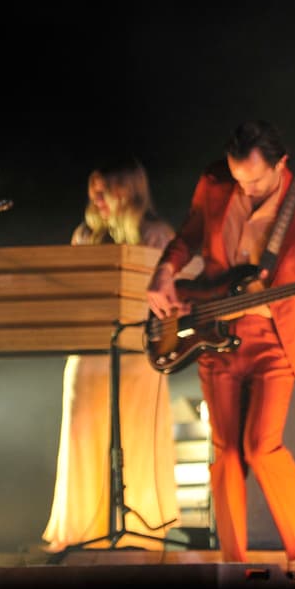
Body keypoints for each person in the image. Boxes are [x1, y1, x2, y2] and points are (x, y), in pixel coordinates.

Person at [145, 119, 295, 589]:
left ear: (282, 163)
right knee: (226, 453)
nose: (247, 189)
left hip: (274, 341)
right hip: (214, 330)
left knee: (262, 446)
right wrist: (163, 273)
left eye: (256, 180)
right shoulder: (215, 184)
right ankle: (232, 565)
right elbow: (188, 235)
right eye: (239, 179)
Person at [42, 157, 183, 552]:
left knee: (136, 437)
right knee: (85, 435)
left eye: (106, 190)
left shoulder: (157, 234)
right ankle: (82, 531)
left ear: (129, 189)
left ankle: (140, 530)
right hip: (89, 351)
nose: (97, 199)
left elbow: (174, 291)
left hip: (138, 351)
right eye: (93, 191)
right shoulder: (85, 235)